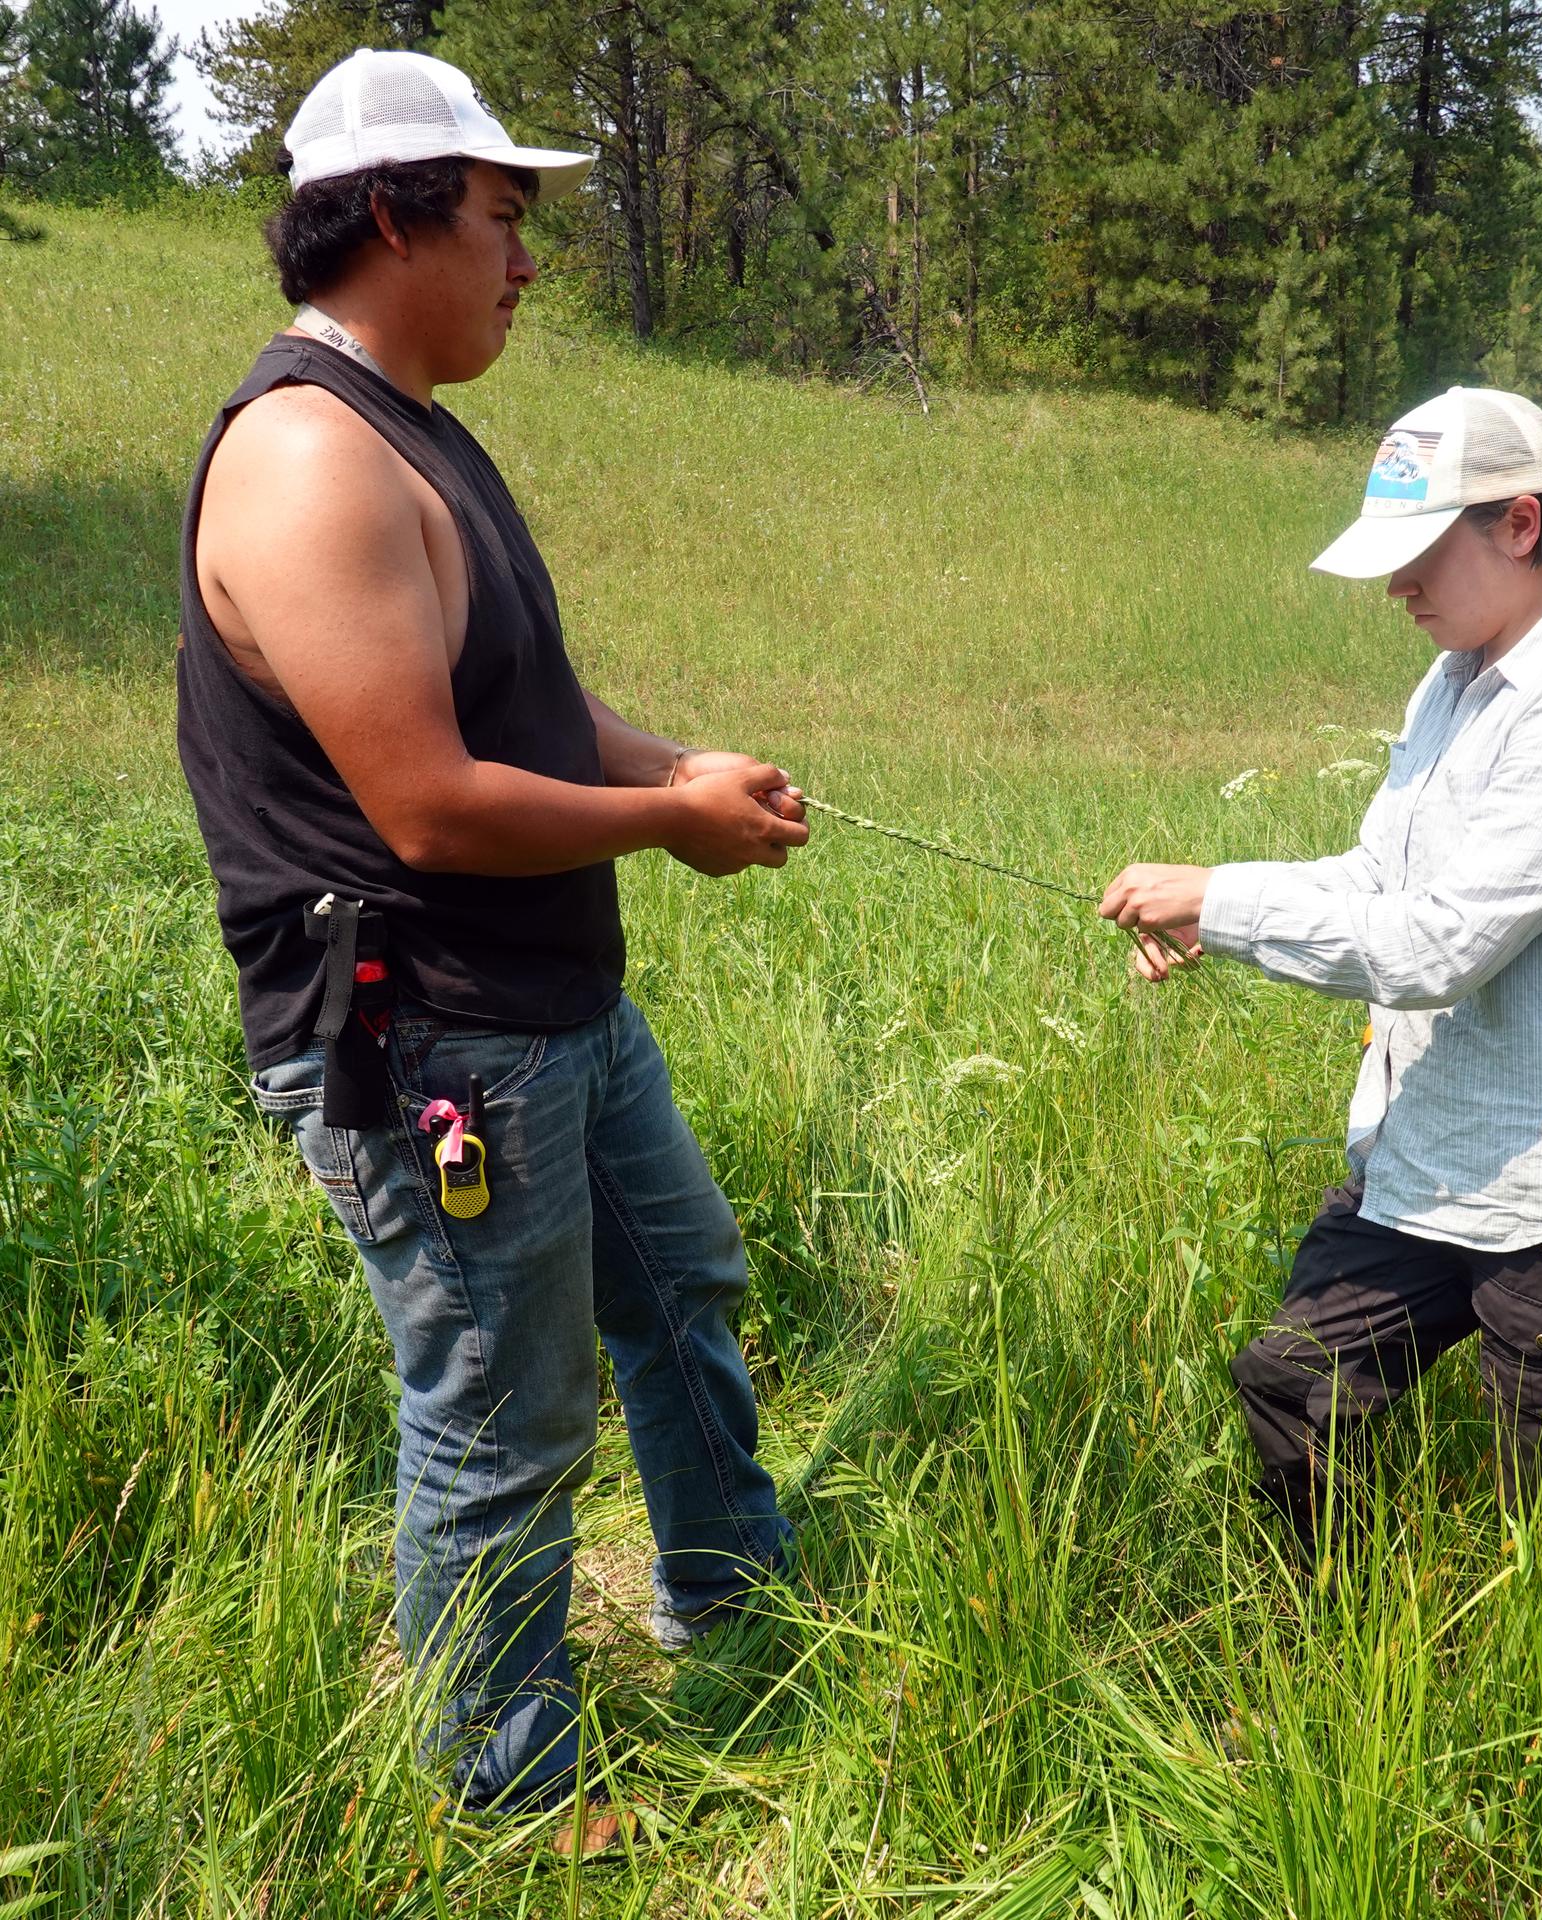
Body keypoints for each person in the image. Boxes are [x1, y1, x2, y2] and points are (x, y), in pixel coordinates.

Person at [176, 48, 808, 1840]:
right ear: (392, 213)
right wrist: (672, 826)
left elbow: (535, 714)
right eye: (504, 220)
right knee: (504, 1424)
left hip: (550, 1011)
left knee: (682, 1284)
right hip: (433, 1041)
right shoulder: (310, 461)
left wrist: (680, 765)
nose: (528, 265)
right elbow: (432, 806)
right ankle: (505, 1791)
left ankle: (738, 1600)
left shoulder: (415, 432)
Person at [1098, 386, 1542, 1542]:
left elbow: (1442, 945)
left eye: (1422, 553)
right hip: (1430, 1153)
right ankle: (1347, 1652)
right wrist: (1216, 904)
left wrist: (1226, 904)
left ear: (1520, 525)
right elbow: (1381, 880)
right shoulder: (1458, 676)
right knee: (1295, 1382)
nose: (1397, 587)